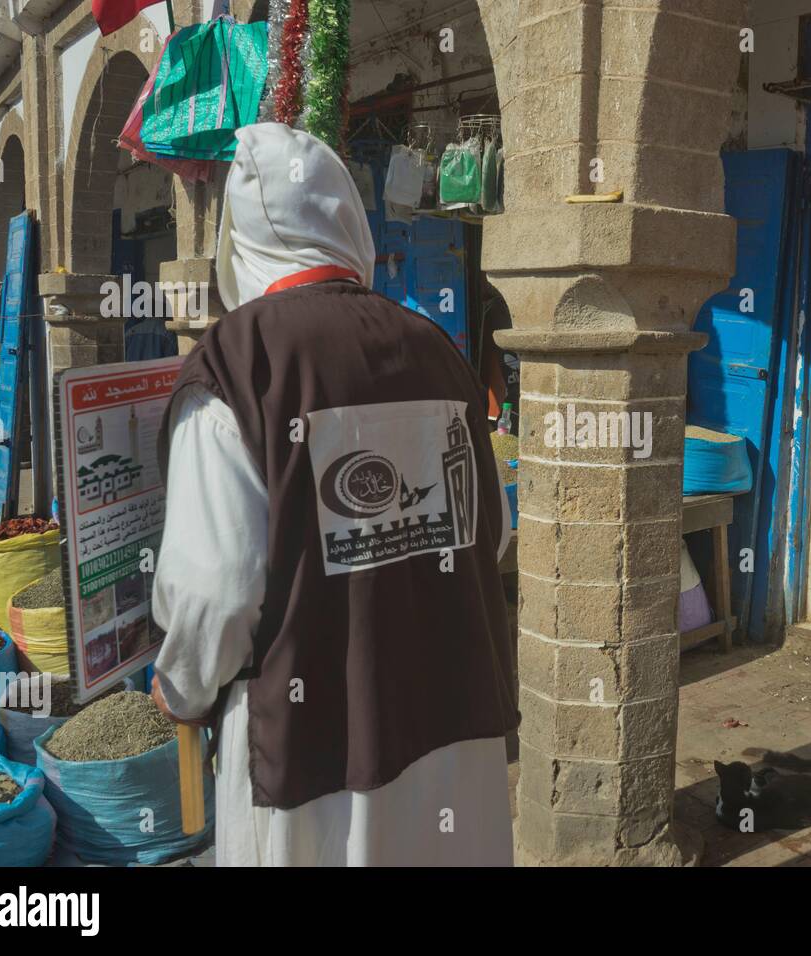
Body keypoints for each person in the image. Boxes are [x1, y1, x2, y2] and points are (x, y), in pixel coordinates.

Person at [147, 123, 518, 866]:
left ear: (238, 242)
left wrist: (181, 688)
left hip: (314, 764)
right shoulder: (438, 351)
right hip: (450, 731)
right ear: (349, 220)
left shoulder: (235, 367)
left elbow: (213, 592)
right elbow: (495, 533)